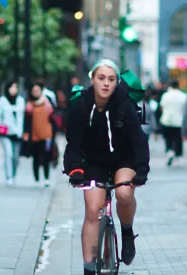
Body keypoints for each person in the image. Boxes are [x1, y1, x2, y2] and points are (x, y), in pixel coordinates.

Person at [63, 59, 150, 275]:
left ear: (117, 82)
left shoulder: (124, 104)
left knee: (123, 192)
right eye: (101, 78)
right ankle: (89, 269)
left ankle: (127, 233)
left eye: (111, 79)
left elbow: (138, 140)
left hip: (124, 159)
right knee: (93, 210)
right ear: (92, 79)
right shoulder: (81, 106)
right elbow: (73, 142)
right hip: (93, 162)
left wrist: (141, 169)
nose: (106, 84)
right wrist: (75, 169)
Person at [0, 81, 25, 186]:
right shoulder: (2, 101)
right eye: (11, 87)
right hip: (5, 133)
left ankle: (13, 175)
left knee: (16, 158)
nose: (13, 90)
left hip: (17, 134)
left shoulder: (20, 101)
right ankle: (9, 177)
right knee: (8, 155)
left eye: (15, 87)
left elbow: (23, 117)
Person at [24, 81, 54, 186]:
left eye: (37, 90)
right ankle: (36, 179)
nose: (35, 92)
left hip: (46, 134)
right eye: (34, 91)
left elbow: (53, 117)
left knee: (46, 157)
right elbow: (26, 120)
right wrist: (26, 134)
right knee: (35, 157)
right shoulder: (29, 104)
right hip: (34, 134)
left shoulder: (47, 102)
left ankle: (46, 178)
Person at [159, 79, 187, 166]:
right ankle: (178, 156)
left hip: (166, 120)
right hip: (179, 120)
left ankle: (170, 151)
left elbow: (161, 107)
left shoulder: (165, 95)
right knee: (178, 139)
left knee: (168, 138)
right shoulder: (183, 96)